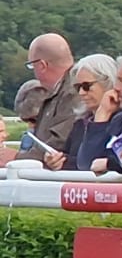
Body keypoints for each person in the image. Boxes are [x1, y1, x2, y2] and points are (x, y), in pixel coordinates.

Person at [8, 33, 90, 163]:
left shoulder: (73, 92)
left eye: (31, 66)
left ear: (42, 65)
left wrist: (14, 158)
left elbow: (57, 146)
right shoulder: (65, 89)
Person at [44, 54, 121, 171]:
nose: (81, 93)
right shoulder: (80, 124)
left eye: (86, 86)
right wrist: (57, 161)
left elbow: (104, 162)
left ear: (108, 82)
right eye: (77, 87)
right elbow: (81, 162)